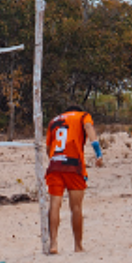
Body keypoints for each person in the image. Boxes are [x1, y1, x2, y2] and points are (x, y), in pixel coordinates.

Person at [44, 107, 100, 254]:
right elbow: (89, 127)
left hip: (55, 165)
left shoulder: (54, 121)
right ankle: (78, 246)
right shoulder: (83, 116)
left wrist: (55, 159)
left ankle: (53, 243)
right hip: (74, 165)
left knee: (54, 204)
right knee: (76, 207)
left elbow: (48, 148)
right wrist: (98, 153)